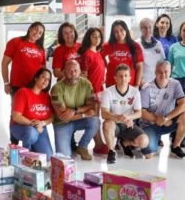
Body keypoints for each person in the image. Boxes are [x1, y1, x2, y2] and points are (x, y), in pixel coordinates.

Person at [1, 22, 46, 143]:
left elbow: (43, 70)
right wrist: (6, 83)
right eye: (35, 30)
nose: (37, 33)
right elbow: (4, 63)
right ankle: (14, 143)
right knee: (16, 113)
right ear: (30, 29)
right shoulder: (15, 42)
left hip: (34, 88)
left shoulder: (41, 49)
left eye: (40, 33)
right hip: (17, 86)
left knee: (32, 112)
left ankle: (30, 138)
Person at [140, 60, 185, 159]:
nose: (163, 74)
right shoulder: (147, 88)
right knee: (148, 154)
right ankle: (153, 139)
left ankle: (176, 146)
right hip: (150, 125)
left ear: (170, 72)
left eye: (166, 71)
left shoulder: (175, 84)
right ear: (155, 72)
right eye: (159, 71)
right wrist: (157, 120)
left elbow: (184, 105)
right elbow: (142, 112)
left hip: (168, 121)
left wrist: (166, 119)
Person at [51, 60, 99, 160]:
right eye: (69, 70)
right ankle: (71, 142)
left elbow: (91, 106)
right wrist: (84, 114)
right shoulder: (56, 88)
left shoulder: (86, 84)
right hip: (62, 123)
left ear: (80, 71)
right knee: (63, 156)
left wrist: (75, 110)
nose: (73, 73)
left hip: (77, 118)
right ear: (64, 72)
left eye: (75, 70)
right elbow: (63, 117)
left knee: (94, 121)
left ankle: (82, 146)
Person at [101, 64, 149, 164]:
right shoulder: (107, 92)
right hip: (114, 124)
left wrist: (127, 117)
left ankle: (125, 143)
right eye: (120, 76)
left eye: (126, 75)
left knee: (144, 142)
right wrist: (117, 117)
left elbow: (139, 113)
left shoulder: (135, 92)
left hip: (128, 124)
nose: (123, 78)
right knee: (107, 123)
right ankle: (111, 151)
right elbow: (104, 113)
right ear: (115, 78)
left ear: (130, 78)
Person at [10, 68, 54, 159]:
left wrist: (42, 123)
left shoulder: (46, 96)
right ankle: (25, 154)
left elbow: (52, 117)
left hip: (40, 127)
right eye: (43, 77)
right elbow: (16, 116)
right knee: (31, 134)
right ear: (36, 78)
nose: (46, 81)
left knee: (48, 156)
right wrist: (33, 124)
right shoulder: (23, 92)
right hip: (20, 126)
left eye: (48, 79)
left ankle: (33, 146)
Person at [78, 27, 108, 155]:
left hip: (100, 90)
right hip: (91, 92)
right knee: (94, 118)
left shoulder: (98, 53)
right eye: (94, 36)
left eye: (99, 37)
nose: (97, 39)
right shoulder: (86, 54)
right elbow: (84, 76)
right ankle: (98, 143)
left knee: (97, 117)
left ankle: (99, 142)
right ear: (89, 38)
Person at [102, 20, 143, 88]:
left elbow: (140, 67)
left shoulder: (135, 46)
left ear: (126, 30)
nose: (119, 33)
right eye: (116, 31)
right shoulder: (108, 45)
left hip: (129, 84)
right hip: (111, 83)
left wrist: (137, 84)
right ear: (113, 33)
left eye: (121, 30)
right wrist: (105, 65)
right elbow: (98, 57)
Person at [138, 18, 165, 84]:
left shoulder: (158, 44)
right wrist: (139, 81)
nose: (148, 30)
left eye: (150, 27)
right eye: (145, 28)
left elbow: (162, 62)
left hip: (158, 82)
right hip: (144, 83)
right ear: (141, 29)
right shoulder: (136, 44)